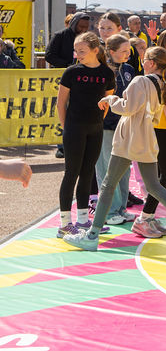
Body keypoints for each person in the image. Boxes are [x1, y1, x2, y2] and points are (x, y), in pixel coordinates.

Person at [62, 46, 166, 252]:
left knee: (108, 185)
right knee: (154, 186)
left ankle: (92, 236)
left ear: (152, 63)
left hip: (129, 137)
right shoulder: (163, 83)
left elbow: (127, 108)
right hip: (146, 138)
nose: (142, 62)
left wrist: (110, 99)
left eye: (145, 59)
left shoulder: (141, 81)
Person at [55, 32, 115, 238]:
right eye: (76, 50)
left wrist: (97, 120)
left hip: (95, 129)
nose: (77, 54)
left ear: (95, 51)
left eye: (82, 51)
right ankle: (64, 224)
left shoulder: (107, 73)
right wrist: (67, 127)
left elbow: (107, 102)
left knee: (88, 173)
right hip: (74, 128)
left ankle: (82, 220)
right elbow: (61, 102)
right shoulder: (71, 72)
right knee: (71, 173)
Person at [134, 29, 166, 239]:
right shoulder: (164, 71)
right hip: (160, 128)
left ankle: (147, 217)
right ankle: (144, 218)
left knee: (162, 177)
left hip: (162, 128)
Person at [94, 34, 137, 227]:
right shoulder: (103, 70)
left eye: (129, 50)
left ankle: (121, 208)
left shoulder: (128, 69)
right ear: (111, 52)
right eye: (124, 51)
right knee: (106, 169)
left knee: (124, 170)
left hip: (125, 126)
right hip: (105, 126)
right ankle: (109, 211)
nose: (128, 54)